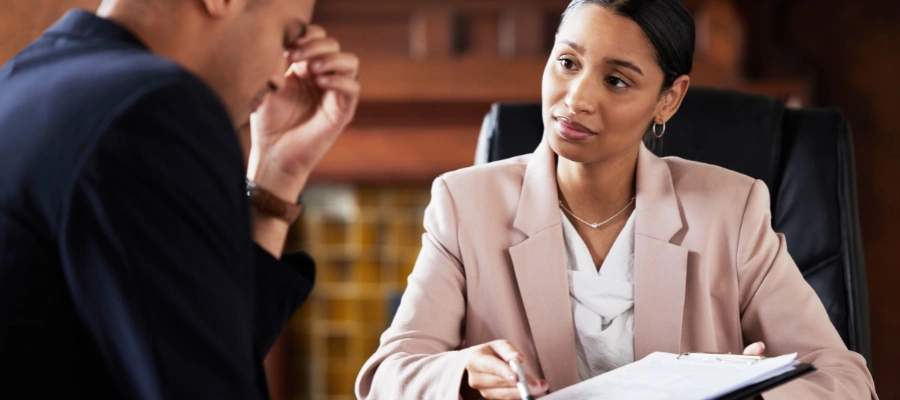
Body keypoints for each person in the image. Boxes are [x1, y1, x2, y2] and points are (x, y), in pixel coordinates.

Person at [355, 0, 877, 399]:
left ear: (667, 99)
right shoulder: (464, 204)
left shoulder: (731, 210)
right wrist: (462, 374)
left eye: (616, 80)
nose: (576, 98)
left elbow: (847, 379)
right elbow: (388, 376)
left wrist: (760, 394)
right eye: (566, 62)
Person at [0, 0, 359, 398]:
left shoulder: (21, 79)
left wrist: (278, 172)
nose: (280, 76)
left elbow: (186, 349)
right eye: (287, 38)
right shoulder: (152, 104)